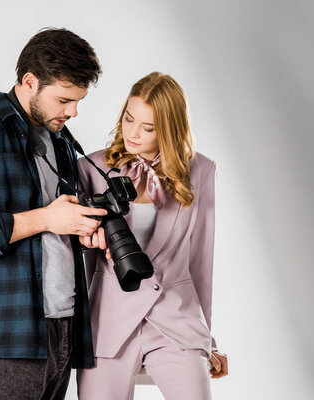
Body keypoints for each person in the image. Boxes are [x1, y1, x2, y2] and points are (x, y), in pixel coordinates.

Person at [0, 28, 107, 400]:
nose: (73, 111)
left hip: (62, 326)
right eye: (64, 99)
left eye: (78, 101)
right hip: (6, 336)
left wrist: (80, 230)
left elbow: (54, 229)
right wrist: (45, 218)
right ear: (30, 81)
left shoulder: (59, 141)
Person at [76, 72, 228, 400]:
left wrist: (207, 339)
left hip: (176, 322)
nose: (132, 133)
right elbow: (81, 263)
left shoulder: (200, 171)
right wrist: (76, 333)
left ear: (170, 130)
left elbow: (202, 260)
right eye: (129, 119)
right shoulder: (91, 168)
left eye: (148, 128)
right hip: (109, 324)